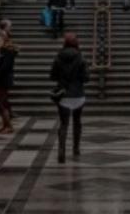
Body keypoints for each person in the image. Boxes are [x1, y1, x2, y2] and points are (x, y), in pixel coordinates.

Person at [50, 32, 89, 163]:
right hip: (78, 95)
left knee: (63, 123)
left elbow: (52, 76)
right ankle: (76, 148)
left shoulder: (58, 57)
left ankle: (61, 151)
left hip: (63, 94)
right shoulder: (81, 58)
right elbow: (86, 78)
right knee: (77, 121)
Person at [0, 32, 17, 133]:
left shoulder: (8, 52)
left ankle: (9, 126)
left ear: (4, 41)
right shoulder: (0, 52)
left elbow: (5, 67)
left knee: (2, 103)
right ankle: (5, 125)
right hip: (0, 80)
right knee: (0, 103)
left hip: (3, 80)